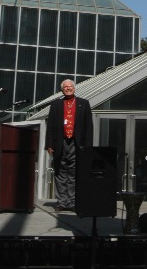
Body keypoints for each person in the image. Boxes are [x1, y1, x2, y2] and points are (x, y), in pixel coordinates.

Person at [45, 79, 93, 212]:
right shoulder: (55, 105)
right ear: (62, 90)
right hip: (60, 143)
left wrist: (87, 147)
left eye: (70, 86)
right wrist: (49, 144)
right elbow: (50, 127)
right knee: (60, 173)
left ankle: (72, 202)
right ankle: (61, 202)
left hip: (76, 143)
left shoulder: (84, 104)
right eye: (65, 87)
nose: (68, 89)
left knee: (73, 173)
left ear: (74, 88)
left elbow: (89, 127)